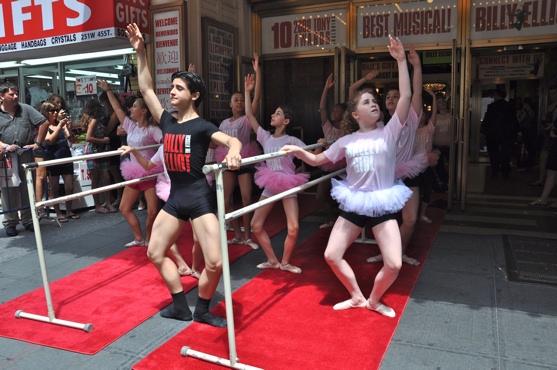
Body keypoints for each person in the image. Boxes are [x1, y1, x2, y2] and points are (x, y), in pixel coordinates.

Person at [280, 35, 412, 317]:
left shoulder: (389, 132)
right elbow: (317, 159)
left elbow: (407, 97)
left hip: (381, 201)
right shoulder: (346, 141)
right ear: (355, 114)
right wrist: (298, 150)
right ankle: (355, 296)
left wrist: (401, 62)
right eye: (367, 102)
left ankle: (374, 300)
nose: (374, 104)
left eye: (375, 100)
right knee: (331, 255)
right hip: (353, 202)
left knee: (395, 264)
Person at [126, 22, 242, 327]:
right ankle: (180, 306)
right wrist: (140, 52)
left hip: (199, 197)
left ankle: (202, 309)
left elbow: (231, 140)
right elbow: (147, 88)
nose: (172, 91)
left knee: (215, 261)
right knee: (154, 251)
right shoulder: (167, 122)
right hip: (176, 198)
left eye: (178, 88)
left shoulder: (203, 126)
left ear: (194, 95)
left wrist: (232, 151)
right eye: (173, 87)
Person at [366, 45, 428, 266]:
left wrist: (417, 66)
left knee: (409, 219)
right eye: (389, 97)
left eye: (396, 96)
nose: (392, 99)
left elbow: (416, 92)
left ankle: (398, 253)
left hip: (409, 171)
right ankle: (386, 254)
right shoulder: (378, 125)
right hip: (386, 175)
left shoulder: (411, 118)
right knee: (385, 220)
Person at [245, 73, 309, 274]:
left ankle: (286, 261)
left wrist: (322, 146)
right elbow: (249, 116)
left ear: (286, 121)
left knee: (293, 227)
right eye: (274, 112)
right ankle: (272, 260)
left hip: (288, 183)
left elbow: (310, 155)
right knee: (256, 224)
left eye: (278, 113)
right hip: (270, 182)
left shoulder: (292, 140)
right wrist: (248, 91)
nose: (273, 115)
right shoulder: (265, 136)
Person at [120, 143, 203, 278]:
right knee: (166, 235)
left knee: (198, 237)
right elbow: (147, 166)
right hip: (173, 194)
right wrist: (134, 151)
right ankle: (183, 266)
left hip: (193, 194)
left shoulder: (189, 142)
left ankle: (194, 268)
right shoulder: (163, 148)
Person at [98, 79, 163, 248]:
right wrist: (108, 90)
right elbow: (117, 109)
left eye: (134, 106)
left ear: (143, 111)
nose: (131, 109)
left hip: (150, 172)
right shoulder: (131, 126)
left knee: (152, 211)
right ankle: (139, 238)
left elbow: (165, 143)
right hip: (134, 172)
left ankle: (149, 238)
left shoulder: (153, 130)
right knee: (124, 207)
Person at [215, 53, 262, 249]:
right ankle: (236, 233)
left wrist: (256, 74)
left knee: (245, 198)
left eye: (242, 100)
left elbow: (256, 100)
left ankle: (248, 235)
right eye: (237, 100)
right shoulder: (224, 123)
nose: (240, 103)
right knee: (225, 200)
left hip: (243, 160)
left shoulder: (246, 119)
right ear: (230, 104)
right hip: (227, 161)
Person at [0, 82, 49, 237]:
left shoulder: (25, 109)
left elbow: (44, 122)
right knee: (9, 190)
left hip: (25, 153)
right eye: (11, 94)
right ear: (1, 96)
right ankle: (10, 222)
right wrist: (5, 146)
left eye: (16, 93)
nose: (15, 97)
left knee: (28, 188)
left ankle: (29, 220)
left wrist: (38, 143)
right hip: (7, 157)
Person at [313, 73, 347, 229]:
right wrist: (326, 88)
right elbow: (321, 108)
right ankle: (333, 220)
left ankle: (345, 223)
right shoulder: (327, 127)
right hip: (328, 166)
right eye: (333, 110)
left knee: (344, 198)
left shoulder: (348, 131)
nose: (333, 112)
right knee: (320, 196)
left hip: (343, 168)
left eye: (337, 110)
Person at [40, 102, 79, 222]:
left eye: (56, 110)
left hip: (65, 156)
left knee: (69, 187)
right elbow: (49, 140)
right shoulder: (44, 125)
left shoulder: (60, 124)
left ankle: (68, 210)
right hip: (52, 158)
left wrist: (68, 127)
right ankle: (58, 213)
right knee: (55, 187)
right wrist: (59, 126)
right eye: (52, 111)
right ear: (46, 113)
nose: (55, 113)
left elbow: (70, 139)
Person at [80, 99, 118, 214]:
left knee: (104, 177)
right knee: (98, 178)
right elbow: (88, 138)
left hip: (98, 150)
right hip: (95, 150)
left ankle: (107, 202)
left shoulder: (95, 121)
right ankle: (99, 204)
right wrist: (103, 140)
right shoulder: (94, 121)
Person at [480, 88, 518, 179]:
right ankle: (505, 171)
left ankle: (495, 170)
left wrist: (483, 131)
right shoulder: (510, 106)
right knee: (506, 153)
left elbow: (487, 120)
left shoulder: (492, 107)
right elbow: (514, 121)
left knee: (493, 153)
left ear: (497, 95)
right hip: (506, 133)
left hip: (493, 133)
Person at [417, 89, 440, 223]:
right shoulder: (410, 130)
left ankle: (422, 214)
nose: (421, 116)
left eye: (423, 114)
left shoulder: (429, 128)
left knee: (427, 188)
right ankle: (410, 213)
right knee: (410, 190)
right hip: (412, 163)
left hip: (426, 161)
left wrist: (433, 97)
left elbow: (435, 115)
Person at [99, 90, 125, 208]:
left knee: (115, 172)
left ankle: (120, 196)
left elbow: (109, 130)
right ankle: (115, 196)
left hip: (114, 143)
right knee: (111, 171)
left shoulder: (115, 113)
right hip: (110, 144)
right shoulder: (109, 113)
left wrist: (97, 126)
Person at [528, 109, 557, 208]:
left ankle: (543, 198)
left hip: (555, 142)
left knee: (551, 172)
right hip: (555, 144)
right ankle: (543, 198)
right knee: (551, 172)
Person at [531, 85, 557, 186]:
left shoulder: (553, 106)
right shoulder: (550, 106)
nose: (552, 96)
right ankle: (542, 179)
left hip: (553, 135)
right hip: (547, 134)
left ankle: (547, 180)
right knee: (543, 157)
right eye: (550, 93)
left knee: (548, 158)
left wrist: (551, 125)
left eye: (554, 93)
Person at [432, 93, 451, 192]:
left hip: (450, 145)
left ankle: (453, 182)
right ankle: (445, 182)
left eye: (443, 101)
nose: (442, 103)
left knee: (453, 165)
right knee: (439, 167)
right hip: (438, 145)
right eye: (439, 102)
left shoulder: (452, 116)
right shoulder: (435, 117)